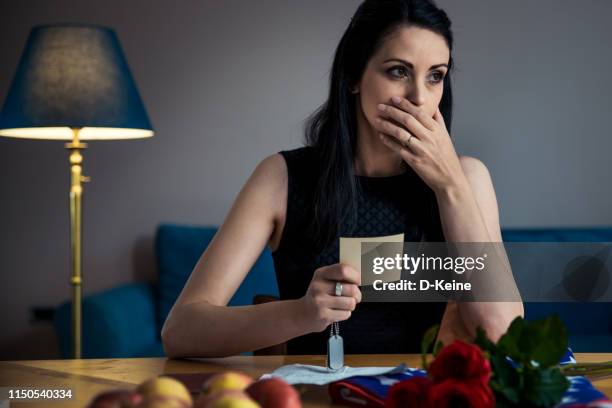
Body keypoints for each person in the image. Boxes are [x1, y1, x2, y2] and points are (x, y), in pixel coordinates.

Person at [161, 0, 524, 358]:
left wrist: (451, 186)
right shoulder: (281, 178)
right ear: (353, 75)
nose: (419, 97)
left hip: (418, 395)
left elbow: (502, 333)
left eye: (435, 76)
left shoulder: (469, 179)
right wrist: (301, 313)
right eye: (398, 71)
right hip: (313, 395)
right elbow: (181, 330)